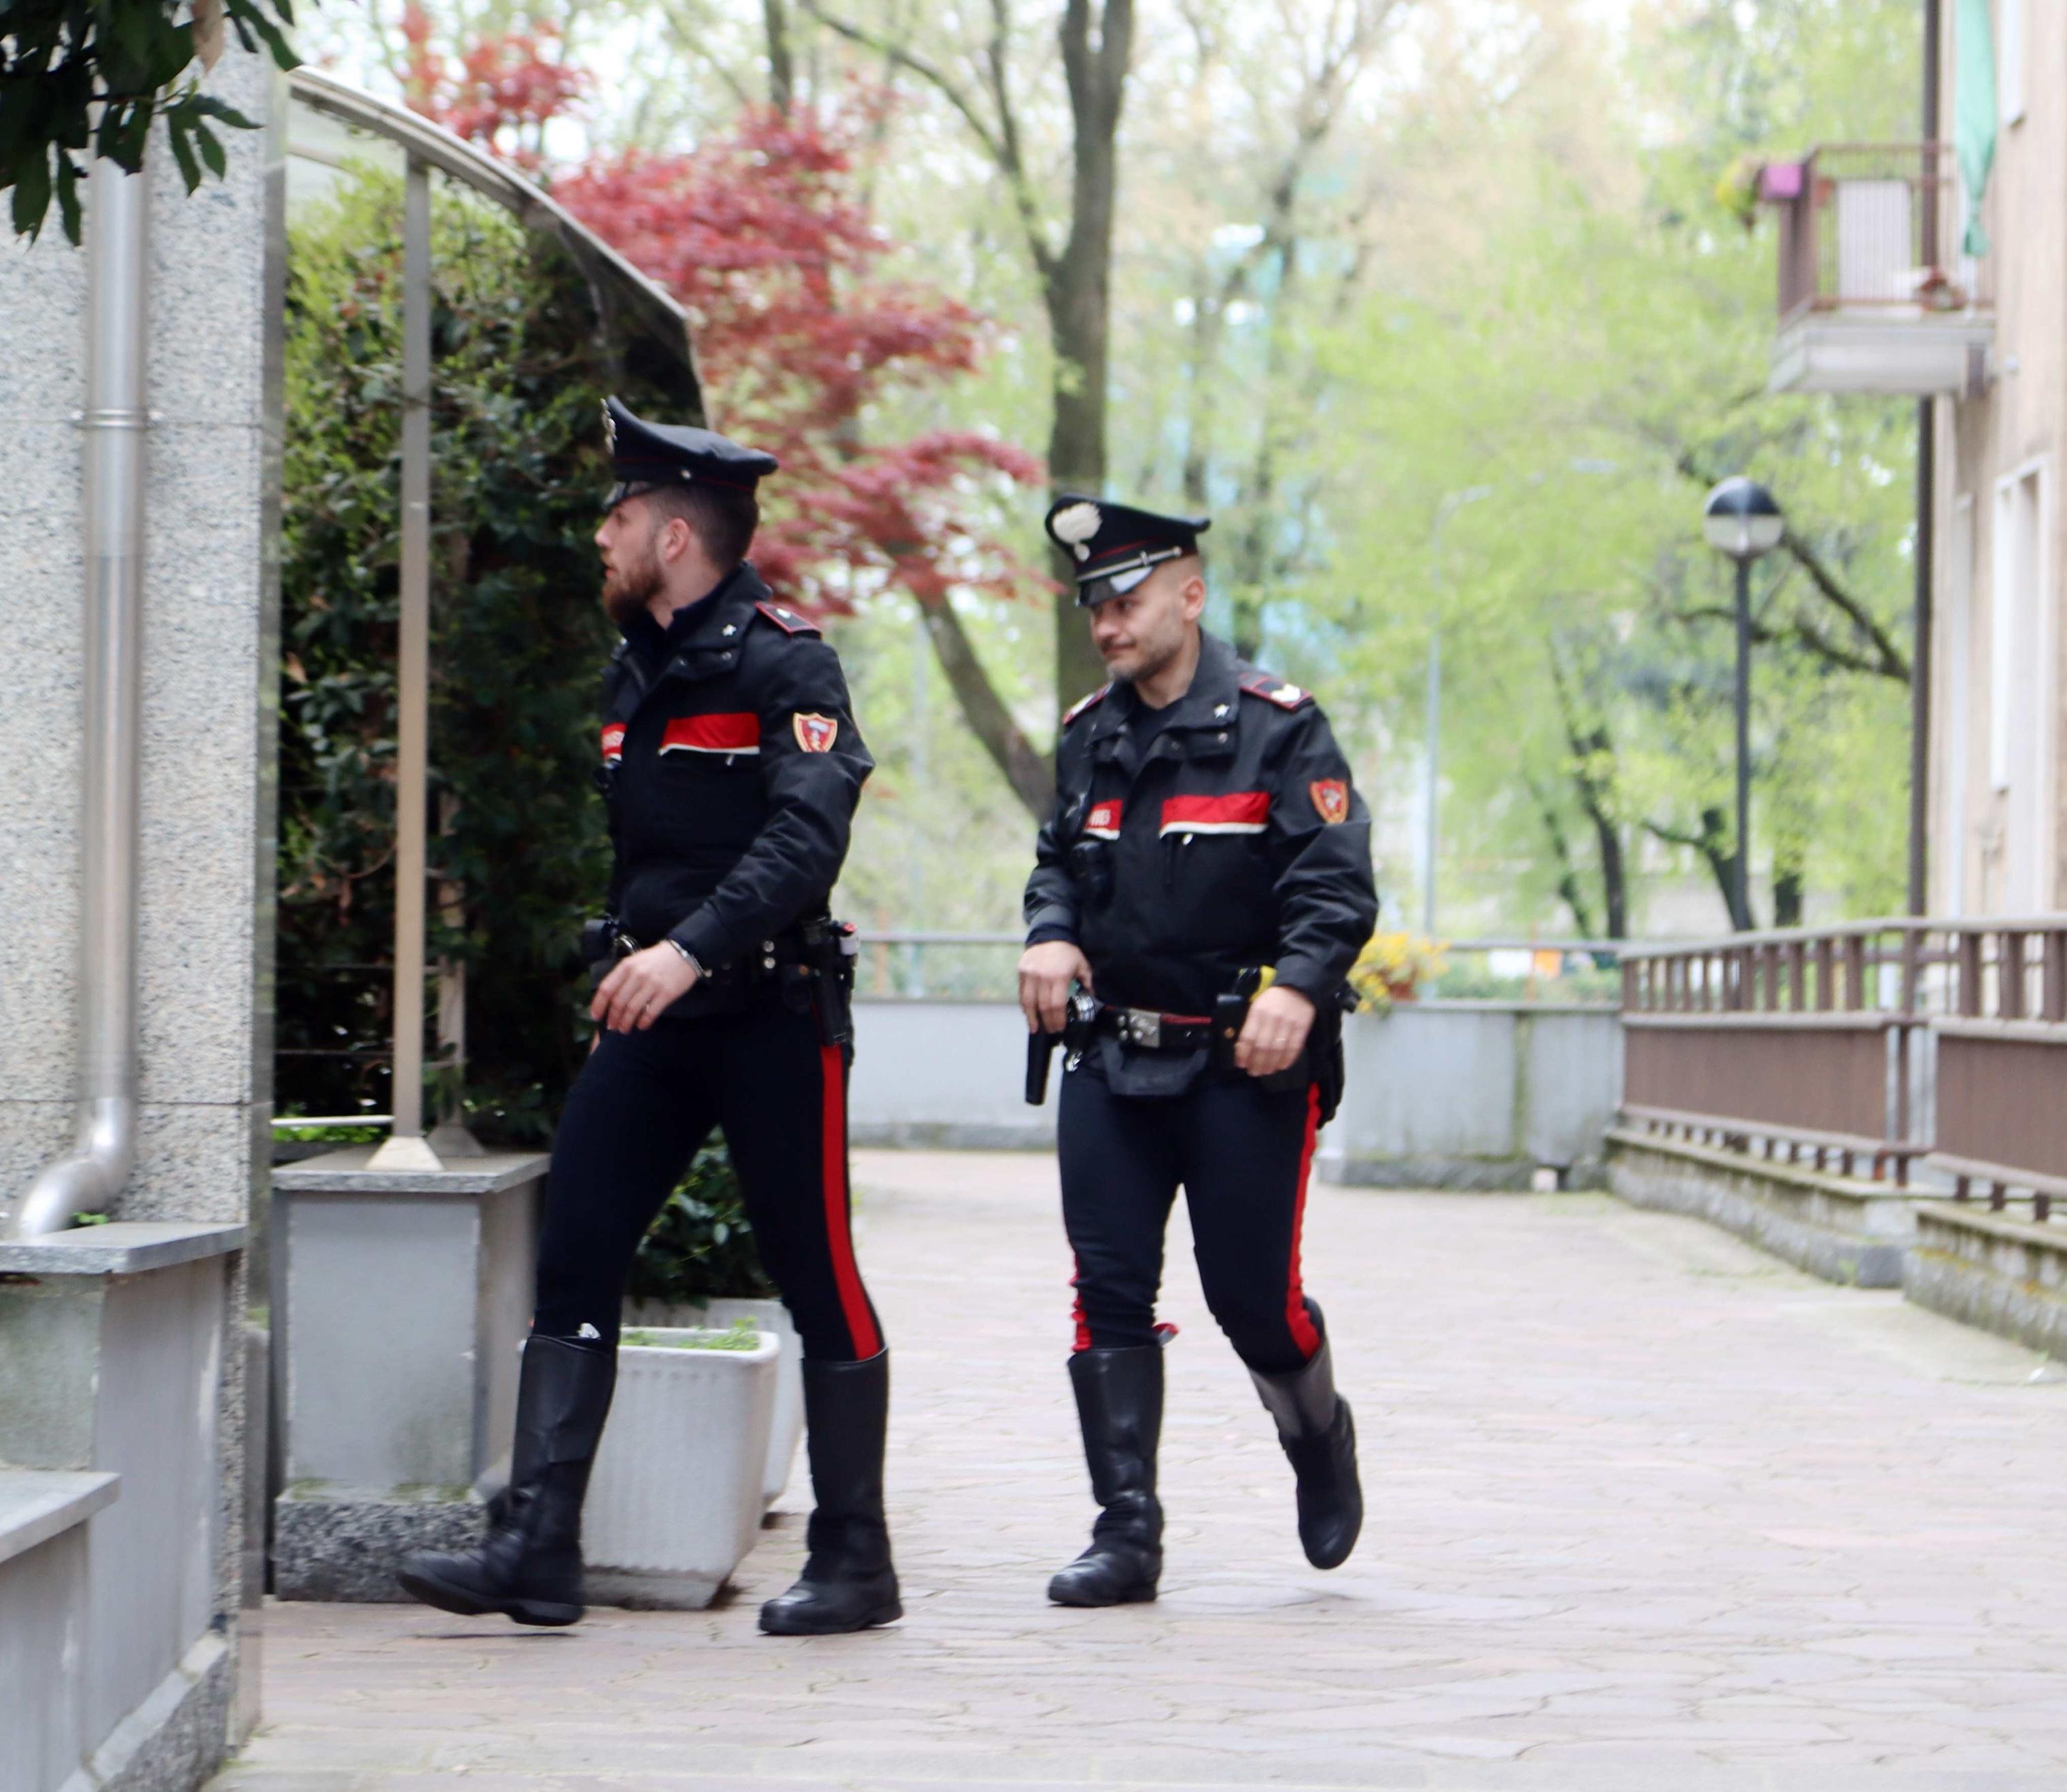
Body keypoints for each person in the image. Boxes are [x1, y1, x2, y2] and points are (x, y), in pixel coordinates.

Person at [400, 398, 896, 1635]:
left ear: (676, 533)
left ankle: (855, 1560)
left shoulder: (788, 661)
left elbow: (807, 835)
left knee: (815, 1270)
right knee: (575, 1252)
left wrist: (689, 950)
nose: (601, 539)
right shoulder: (638, 665)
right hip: (655, 1021)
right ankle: (540, 1546)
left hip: (772, 1013)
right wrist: (644, 957)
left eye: (618, 518)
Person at [1017, 492, 1377, 1605]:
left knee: (1252, 1301)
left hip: (1242, 1071)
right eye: (1095, 608)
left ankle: (1316, 1429)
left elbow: (1335, 886)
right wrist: (1051, 932)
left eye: (1125, 601)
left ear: (1189, 593)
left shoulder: (1280, 727)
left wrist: (1301, 989)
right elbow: (1056, 866)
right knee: (1107, 1288)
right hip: (1115, 1061)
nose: (1108, 626)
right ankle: (1126, 1530)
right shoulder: (1090, 735)